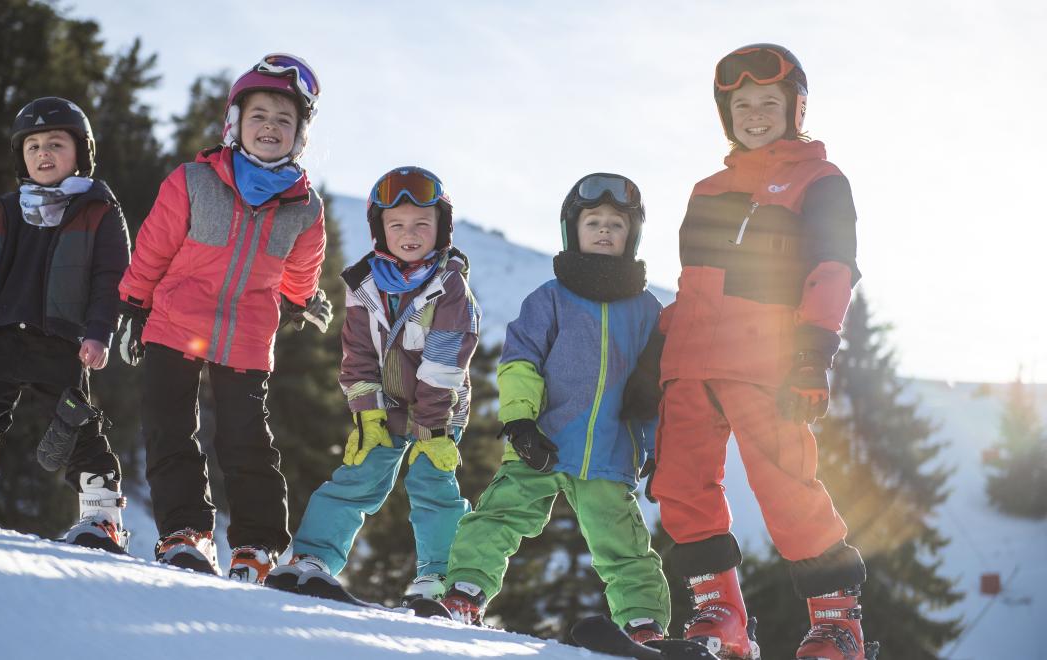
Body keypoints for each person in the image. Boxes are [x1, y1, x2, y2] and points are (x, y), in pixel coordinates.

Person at [649, 44, 869, 660]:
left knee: (786, 488)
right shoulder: (707, 188)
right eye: (740, 104)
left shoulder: (819, 181)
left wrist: (812, 351)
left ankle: (836, 624)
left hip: (766, 361)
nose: (753, 113)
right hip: (690, 364)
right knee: (680, 488)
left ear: (796, 109)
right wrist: (656, 356)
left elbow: (832, 267)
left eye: (768, 102)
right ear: (726, 113)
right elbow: (696, 283)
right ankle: (720, 619)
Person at [115, 53, 332, 581]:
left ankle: (256, 546)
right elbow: (152, 249)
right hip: (172, 323)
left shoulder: (305, 208)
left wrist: (303, 302)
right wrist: (131, 306)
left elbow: (301, 269)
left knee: (245, 441)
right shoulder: (192, 180)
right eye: (259, 115)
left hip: (248, 337)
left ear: (300, 136)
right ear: (235, 123)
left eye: (285, 120)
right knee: (170, 430)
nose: (270, 128)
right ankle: (184, 534)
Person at [440, 173, 671, 646]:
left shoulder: (648, 311)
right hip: (540, 443)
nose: (605, 231)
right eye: (594, 222)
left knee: (625, 546)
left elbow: (654, 389)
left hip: (609, 455)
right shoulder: (551, 298)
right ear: (574, 230)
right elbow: (520, 360)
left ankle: (644, 626)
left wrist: (656, 445)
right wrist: (521, 422)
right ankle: (465, 591)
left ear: (633, 236)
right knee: (499, 516)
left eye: (616, 224)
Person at [0, 97, 132, 554]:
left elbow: (111, 281)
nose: (43, 153)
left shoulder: (99, 211)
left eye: (55, 143)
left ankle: (101, 516)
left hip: (61, 342)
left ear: (80, 152)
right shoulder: (5, 208)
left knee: (74, 422)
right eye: (33, 145)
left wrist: (100, 332)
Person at [267, 166, 479, 604]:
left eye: (423, 223)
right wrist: (368, 414)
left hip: (437, 411)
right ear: (380, 230)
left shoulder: (450, 287)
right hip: (384, 406)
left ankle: (439, 579)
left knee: (431, 484)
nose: (410, 233)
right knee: (357, 477)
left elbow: (444, 362)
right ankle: (312, 557)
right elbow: (358, 355)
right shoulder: (363, 285)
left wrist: (431, 426)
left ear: (442, 227)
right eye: (397, 224)